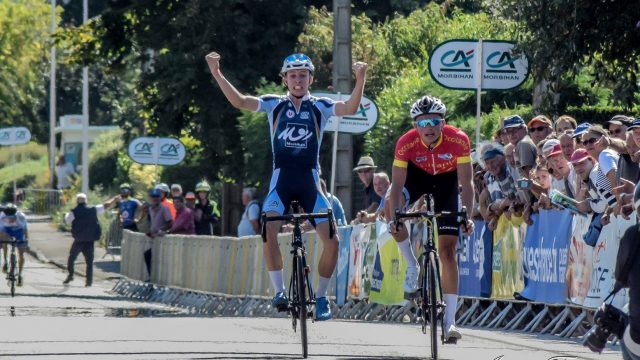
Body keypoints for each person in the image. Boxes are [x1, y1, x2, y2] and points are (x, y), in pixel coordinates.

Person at [206, 50, 367, 321]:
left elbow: (350, 108)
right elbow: (240, 101)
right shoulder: (274, 105)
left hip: (310, 182)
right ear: (285, 79)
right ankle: (279, 291)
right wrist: (217, 73)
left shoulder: (321, 106)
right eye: (293, 75)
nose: (298, 80)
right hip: (281, 181)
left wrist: (360, 77)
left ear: (310, 78)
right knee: (268, 228)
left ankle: (321, 297)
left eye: (303, 75)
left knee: (333, 241)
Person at [388, 95, 474, 342]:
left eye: (434, 122)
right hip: (416, 178)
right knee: (389, 209)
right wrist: (396, 217)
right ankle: (412, 264)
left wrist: (466, 215)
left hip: (446, 184)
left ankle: (450, 322)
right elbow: (396, 187)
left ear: (442, 122)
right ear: (415, 126)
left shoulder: (458, 139)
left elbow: (466, 184)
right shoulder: (405, 143)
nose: (429, 128)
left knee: (447, 252)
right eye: (423, 123)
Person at [63, 193, 104, 287]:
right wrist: (114, 199)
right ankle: (89, 281)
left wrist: (65, 217)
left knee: (72, 258)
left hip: (78, 240)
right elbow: (104, 206)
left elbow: (66, 221)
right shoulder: (93, 210)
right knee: (89, 262)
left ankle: (71, 275)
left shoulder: (74, 212)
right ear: (86, 201)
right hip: (90, 240)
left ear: (77, 201)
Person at [143, 188, 173, 280]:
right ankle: (151, 277)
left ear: (160, 198)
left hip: (162, 238)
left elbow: (170, 223)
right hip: (154, 238)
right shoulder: (151, 209)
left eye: (157, 197)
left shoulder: (164, 208)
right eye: (153, 197)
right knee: (148, 256)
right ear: (151, 198)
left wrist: (159, 230)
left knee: (159, 259)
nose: (155, 199)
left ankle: (159, 279)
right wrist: (151, 231)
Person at [0, 204, 28, 286]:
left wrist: (26, 240)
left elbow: (25, 230)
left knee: (21, 254)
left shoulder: (21, 217)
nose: (11, 219)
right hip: (7, 230)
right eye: (9, 217)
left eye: (12, 217)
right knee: (4, 239)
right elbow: (1, 231)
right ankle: (5, 261)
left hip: (19, 231)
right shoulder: (2, 217)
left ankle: (20, 275)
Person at [503, 115, 537, 179]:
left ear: (524, 128)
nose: (511, 134)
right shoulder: (520, 145)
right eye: (508, 131)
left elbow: (528, 179)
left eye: (515, 129)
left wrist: (519, 186)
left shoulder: (523, 144)